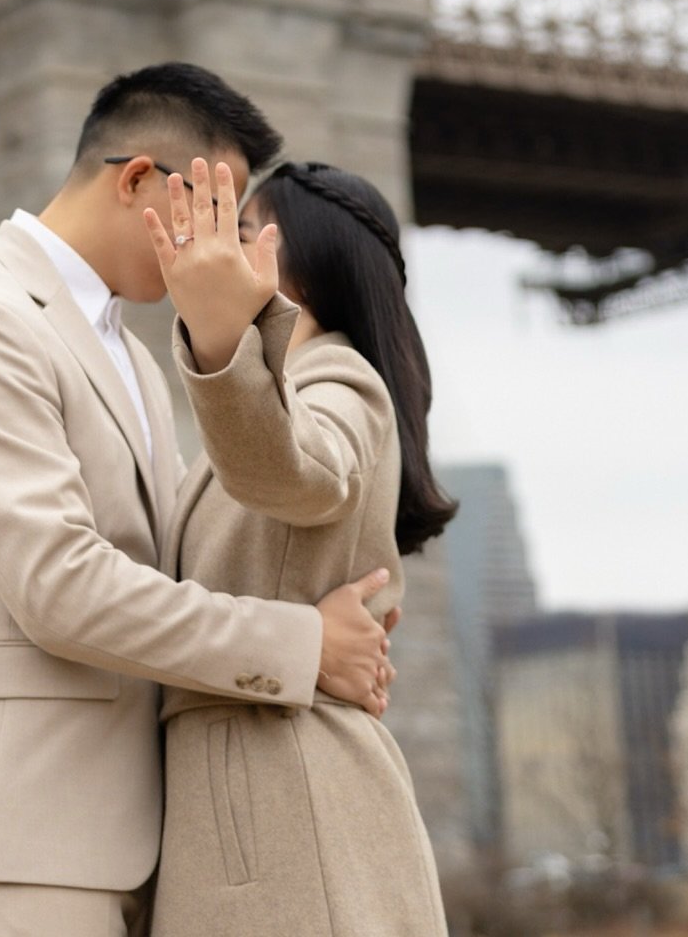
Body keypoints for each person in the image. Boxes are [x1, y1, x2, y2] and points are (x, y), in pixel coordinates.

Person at [0, 65, 398, 937]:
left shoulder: (135, 358)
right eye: (212, 208)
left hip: (135, 837)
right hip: (15, 838)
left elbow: (164, 565)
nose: (222, 245)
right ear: (135, 179)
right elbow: (61, 585)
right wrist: (304, 644)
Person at [145, 155, 457, 937]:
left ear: (305, 263)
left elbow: (297, 475)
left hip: (288, 792)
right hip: (263, 792)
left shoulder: (341, 378)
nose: (220, 246)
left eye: (244, 230)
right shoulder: (280, 393)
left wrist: (221, 339)